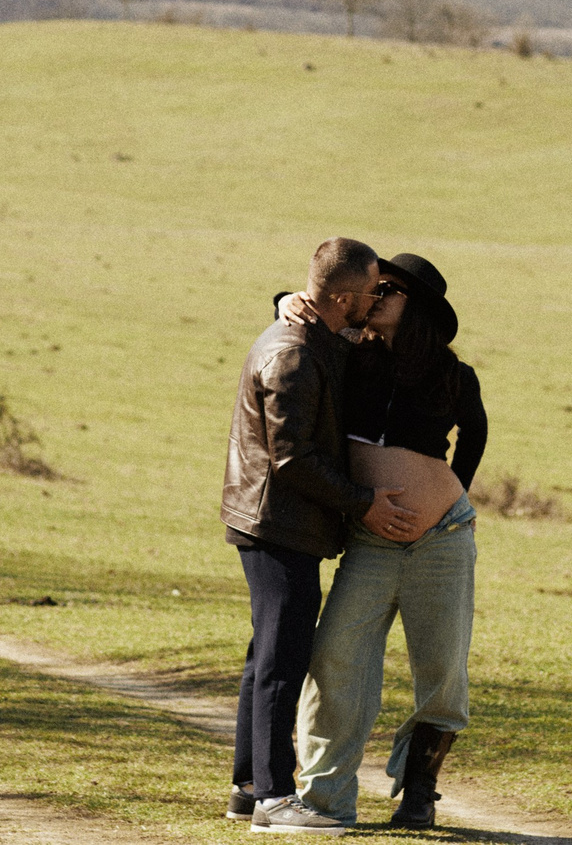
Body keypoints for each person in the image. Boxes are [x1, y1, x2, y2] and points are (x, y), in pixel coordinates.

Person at [222, 237, 422, 834]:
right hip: (277, 522)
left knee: (268, 657)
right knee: (282, 661)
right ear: (341, 297)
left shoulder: (317, 338)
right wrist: (364, 504)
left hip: (277, 522)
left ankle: (247, 787)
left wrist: (286, 298)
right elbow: (292, 459)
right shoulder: (295, 356)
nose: (376, 300)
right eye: (371, 292)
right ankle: (275, 800)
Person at [289, 253, 487, 829]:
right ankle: (326, 798)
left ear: (416, 306)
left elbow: (474, 434)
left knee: (442, 667)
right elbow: (297, 309)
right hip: (372, 541)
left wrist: (456, 497)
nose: (375, 296)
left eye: (389, 289)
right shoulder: (350, 356)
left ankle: (420, 793)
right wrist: (284, 302)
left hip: (443, 540)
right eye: (373, 288)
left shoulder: (454, 374)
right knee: (334, 658)